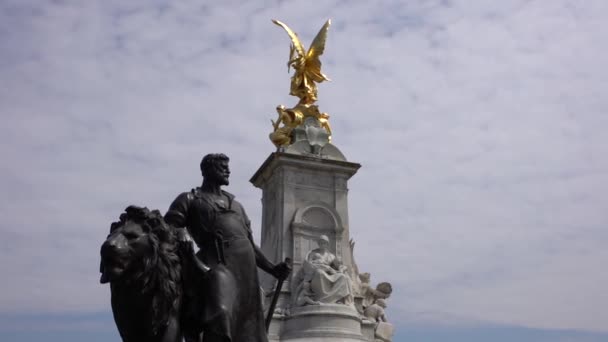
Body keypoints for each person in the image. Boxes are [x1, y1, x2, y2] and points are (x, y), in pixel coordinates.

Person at [164, 153, 290, 342]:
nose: (228, 171)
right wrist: (182, 234)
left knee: (250, 331)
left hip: (246, 272)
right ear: (208, 170)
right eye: (222, 167)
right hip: (215, 265)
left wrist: (272, 269)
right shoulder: (190, 198)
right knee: (220, 314)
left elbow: (249, 243)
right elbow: (169, 226)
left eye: (227, 167)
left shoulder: (237, 206)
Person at [292, 235, 353, 306]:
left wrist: (341, 269)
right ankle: (321, 298)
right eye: (321, 242)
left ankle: (335, 298)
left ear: (327, 244)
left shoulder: (331, 256)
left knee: (342, 277)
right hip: (316, 272)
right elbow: (308, 265)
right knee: (319, 273)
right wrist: (318, 266)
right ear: (318, 243)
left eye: (324, 242)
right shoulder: (313, 253)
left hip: (329, 274)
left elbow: (339, 266)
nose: (322, 244)